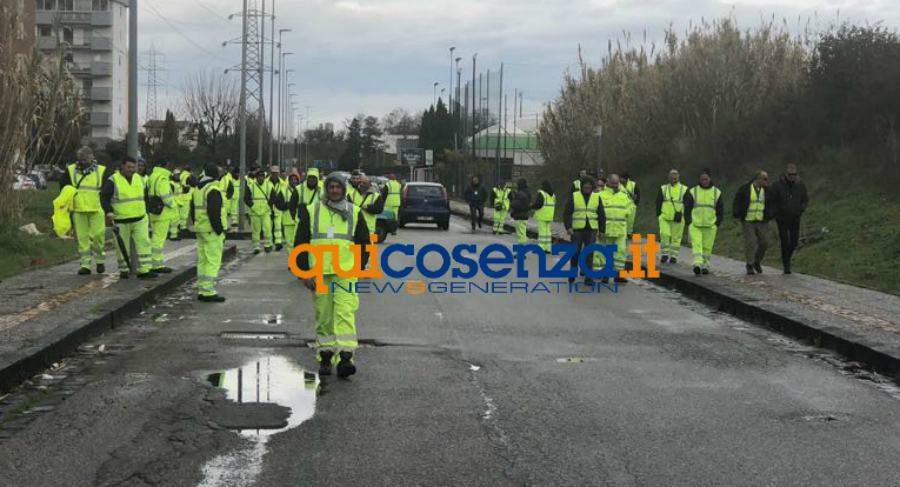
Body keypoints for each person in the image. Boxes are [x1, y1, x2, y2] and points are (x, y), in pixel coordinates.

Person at [295, 174, 372, 379]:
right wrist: (304, 273)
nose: (335, 190)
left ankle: (346, 357)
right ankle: (326, 356)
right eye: (331, 186)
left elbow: (364, 243)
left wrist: (358, 267)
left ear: (344, 190)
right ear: (326, 189)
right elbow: (300, 242)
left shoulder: (354, 212)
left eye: (338, 187)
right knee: (324, 316)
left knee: (345, 312)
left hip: (345, 272)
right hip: (318, 273)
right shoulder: (312, 211)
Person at [100, 157, 155, 279]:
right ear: (122, 166)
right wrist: (109, 212)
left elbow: (145, 196)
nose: (131, 169)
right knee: (121, 247)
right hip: (121, 220)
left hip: (140, 218)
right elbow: (104, 197)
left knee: (144, 243)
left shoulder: (139, 179)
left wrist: (147, 211)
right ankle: (124, 270)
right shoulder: (113, 180)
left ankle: (145, 270)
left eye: (133, 167)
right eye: (129, 167)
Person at [60, 146, 107, 275]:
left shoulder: (102, 170)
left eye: (85, 159)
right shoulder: (70, 170)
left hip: (96, 208)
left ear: (92, 157)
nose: (83, 162)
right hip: (78, 209)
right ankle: (85, 264)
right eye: (81, 159)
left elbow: (107, 189)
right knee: (82, 238)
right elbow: (63, 187)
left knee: (98, 236)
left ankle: (100, 260)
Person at [191, 163, 227, 302]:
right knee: (213, 261)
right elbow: (214, 213)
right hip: (211, 231)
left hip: (200, 229)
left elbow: (192, 210)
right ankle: (208, 291)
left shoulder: (198, 189)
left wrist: (196, 224)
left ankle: (202, 288)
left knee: (202, 260)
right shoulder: (213, 189)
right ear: (216, 175)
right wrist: (219, 231)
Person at [563, 176, 605, 283]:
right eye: (585, 187)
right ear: (582, 187)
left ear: (592, 187)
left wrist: (602, 230)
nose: (587, 188)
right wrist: (568, 227)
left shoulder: (596, 197)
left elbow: (601, 214)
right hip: (577, 229)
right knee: (575, 251)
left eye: (589, 187)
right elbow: (567, 213)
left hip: (591, 229)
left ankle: (588, 276)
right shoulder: (574, 196)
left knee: (589, 252)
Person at [770, 163, 808, 274]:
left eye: (794, 174)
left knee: (794, 241)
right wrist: (774, 213)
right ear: (786, 174)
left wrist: (801, 208)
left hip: (795, 217)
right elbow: (771, 200)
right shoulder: (777, 185)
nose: (792, 176)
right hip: (782, 218)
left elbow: (805, 199)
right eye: (790, 174)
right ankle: (786, 264)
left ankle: (787, 257)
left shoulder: (800, 185)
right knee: (784, 241)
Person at [683, 169, 724, 275]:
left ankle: (705, 265)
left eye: (706, 179)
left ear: (710, 179)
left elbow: (720, 210)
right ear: (699, 179)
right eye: (702, 179)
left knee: (707, 247)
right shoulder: (693, 191)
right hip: (695, 225)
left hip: (710, 225)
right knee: (697, 244)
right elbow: (687, 208)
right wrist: (689, 221)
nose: (704, 181)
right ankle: (697, 264)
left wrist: (717, 223)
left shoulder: (716, 192)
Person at [733, 171, 773, 275]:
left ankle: (757, 261)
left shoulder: (767, 190)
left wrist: (770, 214)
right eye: (765, 179)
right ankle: (749, 264)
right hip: (748, 220)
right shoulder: (745, 189)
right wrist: (737, 215)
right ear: (758, 179)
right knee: (751, 242)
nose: (767, 181)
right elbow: (737, 201)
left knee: (764, 242)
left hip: (761, 220)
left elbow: (772, 203)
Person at [596, 174, 631, 283]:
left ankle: (619, 274)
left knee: (620, 252)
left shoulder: (624, 196)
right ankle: (605, 274)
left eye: (617, 183)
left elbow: (629, 210)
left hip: (620, 230)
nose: (615, 186)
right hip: (605, 230)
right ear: (607, 182)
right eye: (613, 183)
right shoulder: (600, 195)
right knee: (604, 253)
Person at [146, 160, 177, 274]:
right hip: (163, 213)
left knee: (155, 237)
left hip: (154, 211)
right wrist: (173, 205)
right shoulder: (163, 179)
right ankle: (157, 264)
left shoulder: (152, 176)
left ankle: (154, 262)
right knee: (159, 239)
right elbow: (166, 197)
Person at [656, 169, 688, 264]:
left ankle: (674, 256)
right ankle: (665, 254)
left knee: (676, 238)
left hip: (678, 218)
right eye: (672, 176)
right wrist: (659, 214)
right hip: (664, 217)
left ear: (678, 177)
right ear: (668, 177)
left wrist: (685, 216)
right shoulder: (663, 188)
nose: (674, 178)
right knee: (664, 235)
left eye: (675, 176)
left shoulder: (684, 189)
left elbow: (688, 204)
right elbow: (658, 202)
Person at [245, 167, 275, 254]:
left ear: (264, 177)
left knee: (267, 229)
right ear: (256, 177)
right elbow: (246, 199)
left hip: (266, 212)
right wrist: (253, 207)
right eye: (259, 176)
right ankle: (256, 246)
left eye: (262, 176)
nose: (260, 178)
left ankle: (268, 245)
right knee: (255, 230)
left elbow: (273, 198)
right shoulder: (250, 186)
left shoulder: (269, 186)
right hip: (255, 213)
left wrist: (268, 206)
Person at [352, 176, 385, 242]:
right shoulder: (352, 193)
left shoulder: (376, 195)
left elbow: (379, 209)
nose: (361, 184)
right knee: (355, 247)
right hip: (354, 226)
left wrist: (367, 207)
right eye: (360, 182)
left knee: (371, 247)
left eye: (364, 183)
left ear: (369, 184)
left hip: (370, 228)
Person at [279, 170, 302, 246]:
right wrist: (289, 204)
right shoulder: (283, 190)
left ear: (298, 180)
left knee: (298, 242)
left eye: (295, 179)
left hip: (299, 221)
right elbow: (279, 205)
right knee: (289, 242)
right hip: (287, 221)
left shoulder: (302, 190)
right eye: (291, 179)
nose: (293, 181)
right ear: (289, 181)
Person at [268, 166, 288, 251]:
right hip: (268, 208)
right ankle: (269, 243)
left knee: (278, 226)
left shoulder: (283, 183)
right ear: (271, 173)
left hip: (278, 207)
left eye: (276, 173)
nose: (275, 175)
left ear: (278, 173)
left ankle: (278, 242)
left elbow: (285, 195)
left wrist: (283, 205)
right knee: (268, 227)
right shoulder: (266, 182)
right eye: (273, 173)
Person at [532, 180, 556, 253]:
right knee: (547, 232)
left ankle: (541, 248)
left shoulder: (541, 193)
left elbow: (538, 204)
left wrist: (532, 206)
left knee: (542, 232)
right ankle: (548, 248)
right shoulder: (553, 195)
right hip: (550, 215)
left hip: (542, 215)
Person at [509, 179, 531, 245]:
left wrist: (512, 202)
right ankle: (521, 248)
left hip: (519, 215)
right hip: (525, 214)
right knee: (522, 232)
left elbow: (517, 204)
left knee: (520, 234)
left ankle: (521, 249)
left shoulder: (520, 194)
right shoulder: (528, 193)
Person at [620, 171, 640, 237]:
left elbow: (637, 194)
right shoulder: (618, 185)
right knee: (622, 219)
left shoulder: (633, 184)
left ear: (626, 178)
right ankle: (622, 232)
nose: (620, 180)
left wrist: (636, 204)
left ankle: (629, 233)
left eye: (622, 178)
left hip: (631, 205)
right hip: (621, 205)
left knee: (630, 220)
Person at [176, 166, 194, 235]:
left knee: (180, 213)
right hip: (186, 197)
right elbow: (193, 184)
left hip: (180, 196)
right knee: (184, 214)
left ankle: (179, 226)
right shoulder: (188, 176)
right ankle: (182, 227)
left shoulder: (181, 175)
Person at [168, 169, 184, 240]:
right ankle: (173, 235)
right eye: (177, 175)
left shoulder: (177, 183)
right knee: (174, 221)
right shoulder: (171, 184)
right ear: (173, 175)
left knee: (176, 220)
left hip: (178, 205)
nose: (178, 176)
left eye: (179, 174)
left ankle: (174, 233)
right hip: (174, 205)